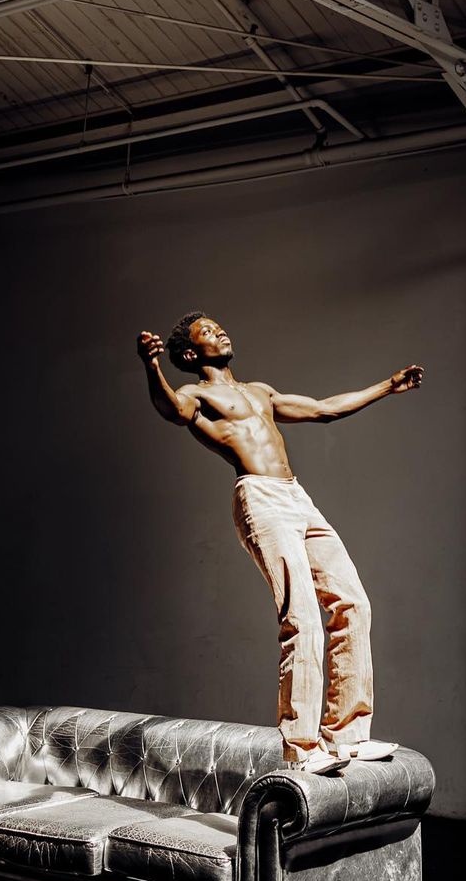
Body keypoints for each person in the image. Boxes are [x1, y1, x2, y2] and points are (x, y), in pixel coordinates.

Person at [136, 313, 423, 775]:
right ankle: (302, 747)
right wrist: (152, 367)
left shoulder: (260, 392)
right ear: (190, 353)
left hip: (296, 496)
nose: (220, 331)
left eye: (218, 326)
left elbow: (325, 409)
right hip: (259, 497)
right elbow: (172, 410)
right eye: (207, 331)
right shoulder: (196, 395)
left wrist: (387, 387)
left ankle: (347, 736)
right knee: (302, 617)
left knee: (353, 603)